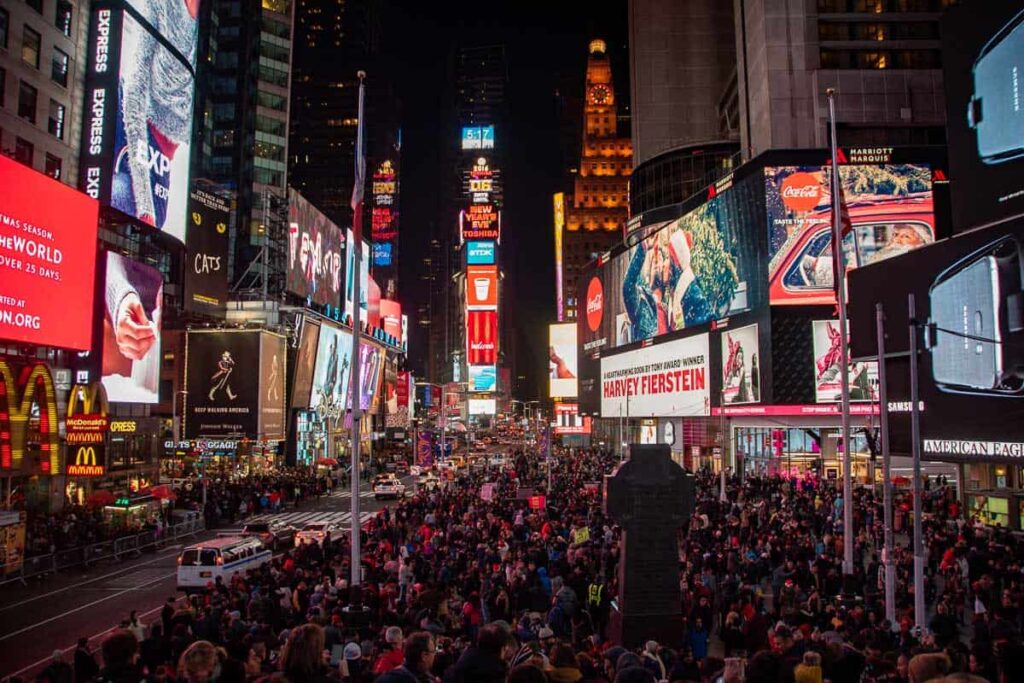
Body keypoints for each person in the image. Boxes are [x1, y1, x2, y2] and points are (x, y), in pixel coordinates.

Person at [444, 623, 509, 683]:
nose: (507, 649)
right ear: (501, 648)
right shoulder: (496, 673)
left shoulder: (463, 662)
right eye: (505, 646)